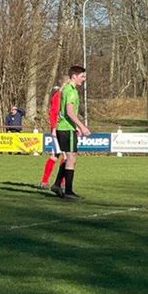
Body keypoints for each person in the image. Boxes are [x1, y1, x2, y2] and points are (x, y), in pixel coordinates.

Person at [51, 65, 92, 199]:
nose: (84, 79)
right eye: (82, 76)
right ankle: (68, 191)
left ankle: (57, 184)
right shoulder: (71, 91)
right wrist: (82, 126)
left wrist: (77, 127)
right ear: (74, 76)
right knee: (71, 158)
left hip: (65, 128)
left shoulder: (67, 88)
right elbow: (69, 112)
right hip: (66, 128)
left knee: (70, 158)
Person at [40, 81, 67, 189]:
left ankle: (45, 182)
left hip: (62, 129)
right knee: (66, 157)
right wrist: (54, 128)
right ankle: (60, 183)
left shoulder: (64, 96)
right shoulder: (58, 96)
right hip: (59, 130)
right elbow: (53, 113)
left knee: (55, 155)